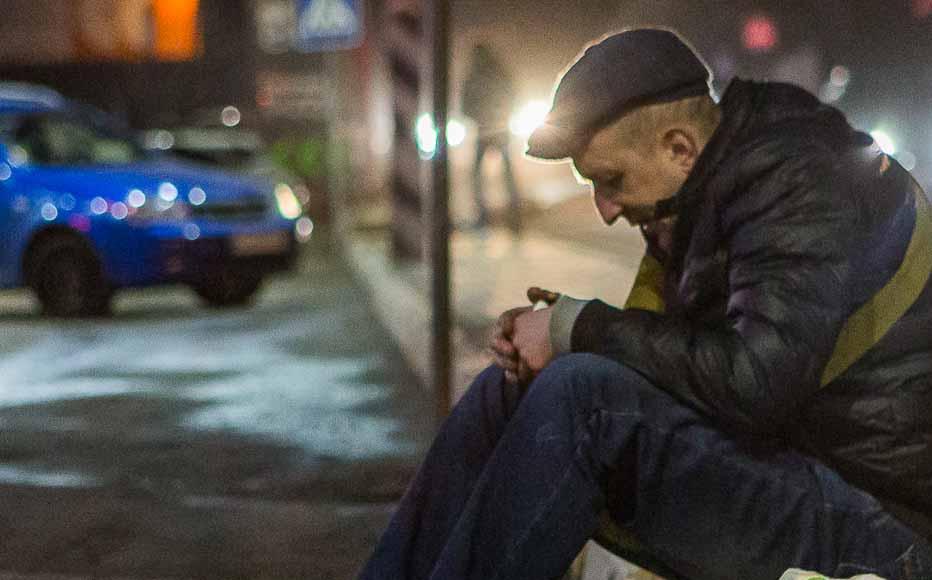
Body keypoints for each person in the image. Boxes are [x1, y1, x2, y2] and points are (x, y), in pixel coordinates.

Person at [359, 28, 932, 580]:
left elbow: (757, 380)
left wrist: (576, 329)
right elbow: (691, 355)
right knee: (507, 393)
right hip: (806, 470)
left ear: (679, 148)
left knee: (584, 401)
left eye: (611, 180)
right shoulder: (719, 182)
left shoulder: (793, 181)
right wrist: (559, 333)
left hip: (883, 525)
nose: (606, 209)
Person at [461, 43, 522, 233]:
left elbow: (465, 105)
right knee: (505, 173)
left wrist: (481, 117)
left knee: (479, 175)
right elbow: (513, 95)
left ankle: (484, 217)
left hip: (487, 130)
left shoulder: (475, 76)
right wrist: (502, 115)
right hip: (497, 129)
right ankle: (513, 217)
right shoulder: (498, 72)